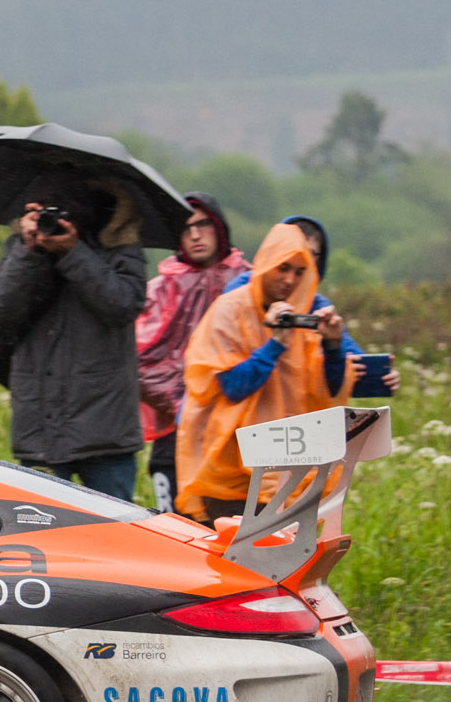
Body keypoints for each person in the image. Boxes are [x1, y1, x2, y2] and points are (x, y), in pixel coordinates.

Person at [0, 168, 148, 501]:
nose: (49, 222)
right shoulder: (22, 248)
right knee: (38, 525)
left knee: (114, 529)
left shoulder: (118, 247)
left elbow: (122, 305)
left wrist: (73, 252)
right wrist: (28, 251)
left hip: (105, 430)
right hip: (39, 427)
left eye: (56, 212)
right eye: (40, 212)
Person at [177, 222, 355, 521]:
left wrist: (334, 345)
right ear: (265, 264)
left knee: (283, 552)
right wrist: (275, 345)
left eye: (299, 272)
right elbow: (232, 387)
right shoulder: (229, 310)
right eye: (282, 268)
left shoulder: (305, 315)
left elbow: (329, 393)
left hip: (289, 472)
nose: (289, 280)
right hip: (231, 475)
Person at [134, 194, 250, 512]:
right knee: (178, 531)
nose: (195, 235)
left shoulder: (251, 283)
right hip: (175, 436)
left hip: (238, 434)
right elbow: (139, 361)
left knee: (233, 530)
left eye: (203, 225)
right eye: (186, 228)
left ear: (220, 227)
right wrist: (187, 405)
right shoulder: (159, 290)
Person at [220, 214, 399, 397]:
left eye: (309, 254)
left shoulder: (318, 306)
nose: (301, 259)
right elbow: (230, 385)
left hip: (295, 410)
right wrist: (274, 342)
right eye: (292, 251)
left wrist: (378, 376)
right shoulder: (238, 295)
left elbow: (348, 371)